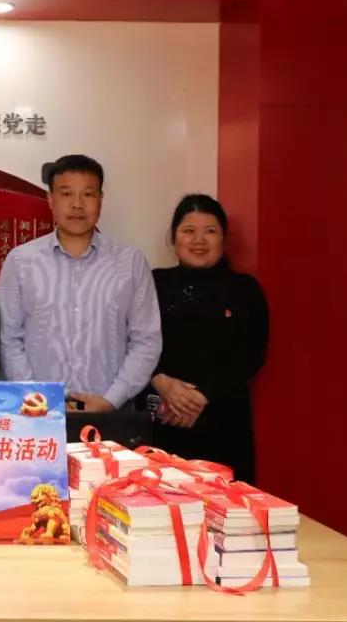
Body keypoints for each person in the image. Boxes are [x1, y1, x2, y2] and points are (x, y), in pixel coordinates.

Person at [0, 154, 162, 411]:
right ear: (50, 199)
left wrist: (111, 400)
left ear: (100, 199)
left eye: (87, 194)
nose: (77, 205)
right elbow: (8, 339)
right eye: (66, 194)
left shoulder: (130, 262)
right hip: (36, 414)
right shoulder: (20, 261)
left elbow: (146, 341)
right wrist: (37, 399)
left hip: (109, 414)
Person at [134, 194, 268, 483]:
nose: (199, 240)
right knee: (160, 501)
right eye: (188, 230)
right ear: (173, 237)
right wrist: (162, 382)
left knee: (228, 504)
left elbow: (251, 353)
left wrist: (200, 396)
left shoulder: (245, 289)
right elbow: (131, 341)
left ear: (223, 239)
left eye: (210, 231)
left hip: (224, 424)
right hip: (163, 419)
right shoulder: (152, 283)